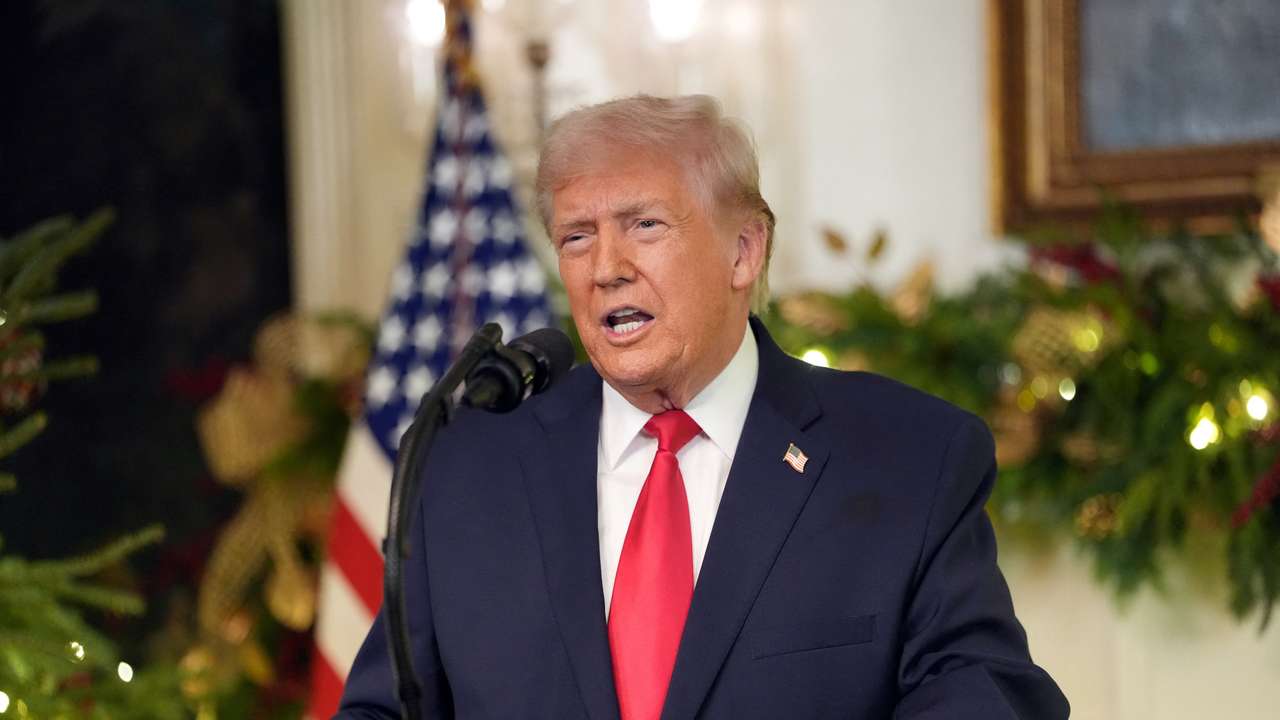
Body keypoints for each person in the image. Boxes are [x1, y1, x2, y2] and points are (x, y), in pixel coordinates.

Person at [336, 95, 1069, 719]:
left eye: (644, 225)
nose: (607, 269)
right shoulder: (470, 467)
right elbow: (384, 708)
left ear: (745, 251)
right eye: (577, 237)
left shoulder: (909, 455)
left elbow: (988, 697)